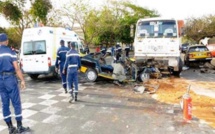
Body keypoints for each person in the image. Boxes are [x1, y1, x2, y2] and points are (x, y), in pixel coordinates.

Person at [0, 33, 30, 134]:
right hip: (10, 79)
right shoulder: (10, 52)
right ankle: (19, 126)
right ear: (7, 41)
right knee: (16, 102)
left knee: (5, 104)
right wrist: (22, 80)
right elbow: (17, 68)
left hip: (0, 80)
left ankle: (10, 127)